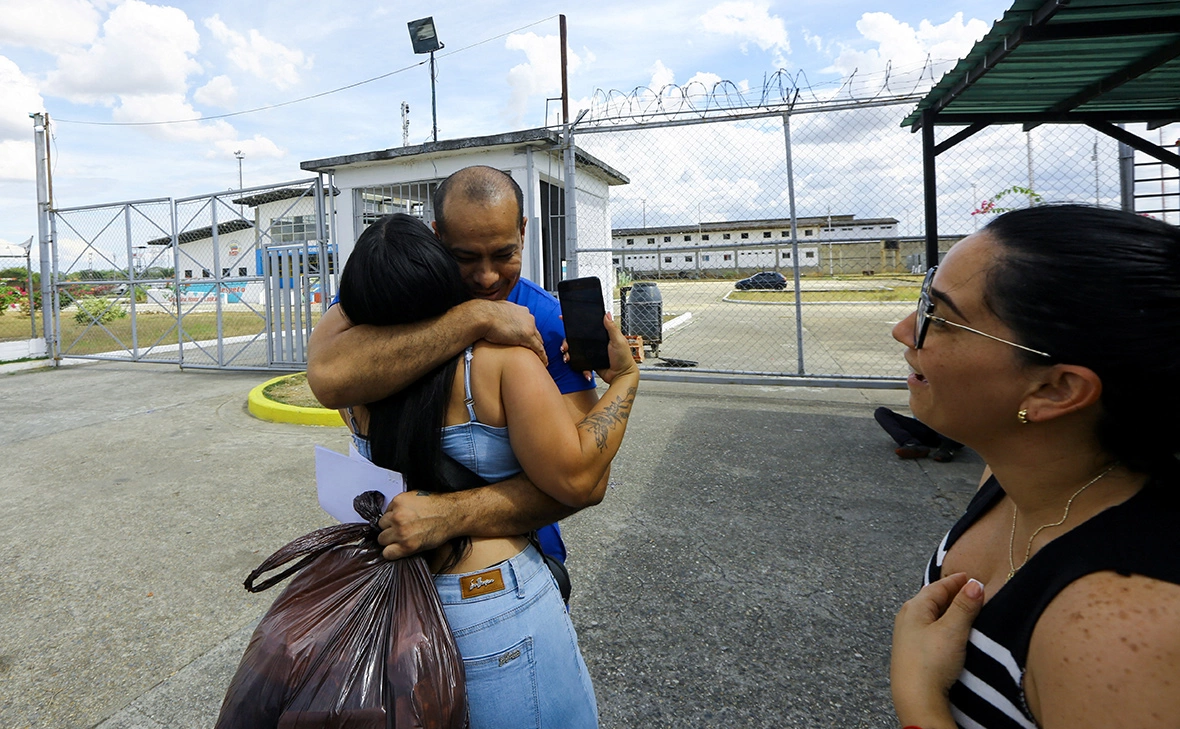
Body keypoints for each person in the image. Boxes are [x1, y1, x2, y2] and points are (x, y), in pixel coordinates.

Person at [337, 212, 639, 728]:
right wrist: (626, 380)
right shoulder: (500, 362)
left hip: (394, 592)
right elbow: (582, 477)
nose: (484, 276)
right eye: (464, 259)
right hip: (490, 598)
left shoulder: (350, 381)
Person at [888, 204, 1180, 729]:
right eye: (924, 300)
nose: (905, 329)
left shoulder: (1121, 628)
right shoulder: (1011, 477)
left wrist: (917, 695)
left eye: (941, 318)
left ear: (1055, 389)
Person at [307, 166, 599, 566]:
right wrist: (476, 318)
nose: (487, 276)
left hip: (517, 567)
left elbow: (581, 479)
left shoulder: (547, 324)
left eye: (504, 254)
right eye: (464, 257)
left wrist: (451, 514)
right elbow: (328, 378)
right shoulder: (398, 294)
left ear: (524, 232)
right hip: (397, 568)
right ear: (437, 236)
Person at [874, 406, 963, 461]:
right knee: (881, 412)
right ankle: (910, 443)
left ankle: (946, 448)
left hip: (951, 431)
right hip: (927, 429)